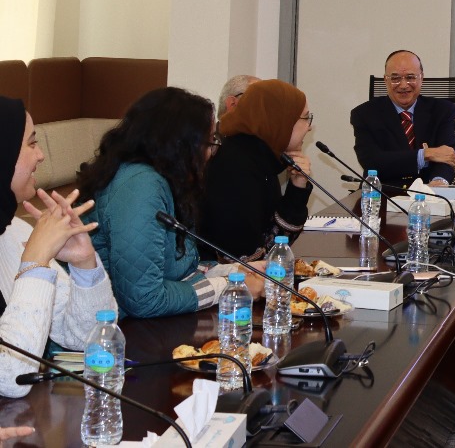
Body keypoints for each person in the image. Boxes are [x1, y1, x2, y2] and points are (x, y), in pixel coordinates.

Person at [80, 87, 264, 318]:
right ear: (182, 145)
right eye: (209, 142)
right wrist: (229, 287)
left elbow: (175, 270)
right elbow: (144, 298)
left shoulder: (163, 180)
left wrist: (236, 271)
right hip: (110, 329)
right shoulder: (140, 186)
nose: (211, 153)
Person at [0, 97, 116, 397]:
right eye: (31, 143)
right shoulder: (23, 238)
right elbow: (12, 377)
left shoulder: (13, 231)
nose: (40, 155)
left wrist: (84, 265)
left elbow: (86, 338)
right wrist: (36, 262)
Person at [200, 80, 314, 262]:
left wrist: (297, 187)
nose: (309, 127)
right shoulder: (235, 165)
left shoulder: (262, 157)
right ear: (279, 119)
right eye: (306, 118)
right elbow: (247, 259)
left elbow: (278, 244)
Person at [350, 50, 455, 185]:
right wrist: (425, 154)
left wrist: (439, 181)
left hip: (430, 190)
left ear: (421, 78)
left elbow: (447, 155)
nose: (403, 85)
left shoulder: (442, 110)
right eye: (395, 78)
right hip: (384, 192)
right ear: (385, 80)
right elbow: (372, 161)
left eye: (410, 77)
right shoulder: (364, 114)